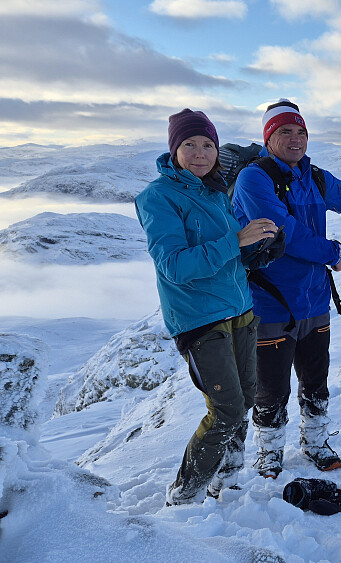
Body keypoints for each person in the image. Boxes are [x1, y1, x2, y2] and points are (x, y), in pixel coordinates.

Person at [135, 109, 280, 505]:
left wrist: (258, 252)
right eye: (190, 145)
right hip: (200, 320)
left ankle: (228, 482)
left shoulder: (216, 192)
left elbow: (229, 256)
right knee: (227, 410)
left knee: (245, 400)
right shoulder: (158, 197)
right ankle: (183, 496)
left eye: (208, 145)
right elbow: (175, 265)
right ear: (174, 149)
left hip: (240, 310)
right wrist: (237, 242)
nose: (201, 153)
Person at [232, 99, 341, 478]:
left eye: (301, 131)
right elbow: (285, 232)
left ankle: (315, 443)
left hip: (314, 301)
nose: (295, 139)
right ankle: (269, 452)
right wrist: (332, 251)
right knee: (271, 387)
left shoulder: (314, 177)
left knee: (316, 380)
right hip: (270, 303)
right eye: (285, 132)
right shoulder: (254, 179)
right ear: (268, 138)